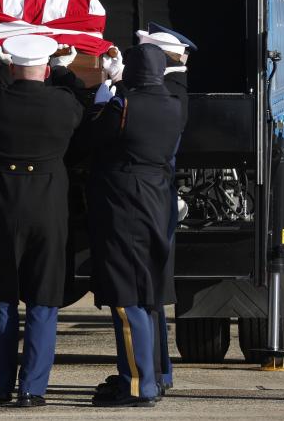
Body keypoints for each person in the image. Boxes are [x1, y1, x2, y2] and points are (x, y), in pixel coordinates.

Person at [0, 34, 84, 408]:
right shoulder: (64, 104)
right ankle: (33, 388)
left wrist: (0, 65)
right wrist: (65, 73)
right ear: (46, 69)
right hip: (47, 208)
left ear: (11, 66)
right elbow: (83, 102)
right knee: (42, 302)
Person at [70, 43, 183, 407]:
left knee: (126, 296)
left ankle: (138, 384)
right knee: (145, 294)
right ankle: (142, 377)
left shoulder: (125, 105)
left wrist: (105, 92)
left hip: (125, 205)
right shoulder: (172, 104)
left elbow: (89, 138)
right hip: (155, 198)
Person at [136, 21, 197, 395]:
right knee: (151, 288)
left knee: (150, 289)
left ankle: (157, 371)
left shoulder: (169, 92)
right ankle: (159, 369)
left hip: (153, 195)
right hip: (159, 194)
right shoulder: (171, 89)